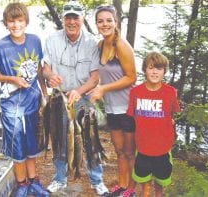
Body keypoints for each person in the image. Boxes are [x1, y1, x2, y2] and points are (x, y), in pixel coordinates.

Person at [41, 0, 109, 196]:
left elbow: (95, 77)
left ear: (82, 19)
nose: (72, 21)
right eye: (68, 17)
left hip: (83, 99)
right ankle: (59, 178)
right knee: (59, 139)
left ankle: (97, 181)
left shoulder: (92, 43)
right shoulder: (52, 39)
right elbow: (45, 67)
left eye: (75, 17)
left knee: (90, 142)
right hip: (59, 99)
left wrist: (79, 91)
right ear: (63, 19)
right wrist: (50, 76)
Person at [0, 3, 49, 197]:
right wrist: (12, 78)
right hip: (11, 105)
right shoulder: (0, 46)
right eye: (11, 21)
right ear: (6, 23)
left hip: (33, 102)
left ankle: (33, 182)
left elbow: (39, 70)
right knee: (17, 146)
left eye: (19, 20)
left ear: (26, 22)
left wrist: (45, 94)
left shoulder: (35, 41)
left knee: (32, 144)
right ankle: (21, 184)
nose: (16, 25)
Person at [89, 5, 137, 197]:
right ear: (96, 24)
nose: (105, 24)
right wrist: (94, 87)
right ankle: (122, 185)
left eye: (109, 20)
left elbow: (131, 77)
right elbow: (101, 75)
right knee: (119, 150)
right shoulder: (101, 45)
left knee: (129, 152)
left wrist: (103, 88)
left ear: (115, 22)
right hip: (111, 108)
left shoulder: (121, 46)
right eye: (100, 21)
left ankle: (132, 190)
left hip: (128, 107)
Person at [126, 52, 181, 197]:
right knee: (145, 184)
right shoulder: (135, 92)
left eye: (159, 68)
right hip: (143, 147)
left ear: (164, 71)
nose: (155, 72)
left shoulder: (170, 92)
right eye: (151, 68)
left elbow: (173, 114)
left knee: (160, 186)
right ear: (144, 69)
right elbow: (131, 118)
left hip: (163, 148)